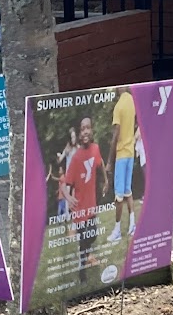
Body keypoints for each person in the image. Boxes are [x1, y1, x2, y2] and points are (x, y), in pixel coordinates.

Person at [59, 114, 107, 280]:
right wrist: (68, 197)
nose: (85, 131)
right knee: (83, 239)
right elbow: (64, 183)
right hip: (79, 208)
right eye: (82, 129)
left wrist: (106, 180)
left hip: (91, 205)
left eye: (88, 128)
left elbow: (100, 164)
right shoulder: (76, 157)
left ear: (92, 130)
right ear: (79, 134)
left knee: (92, 235)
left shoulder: (95, 148)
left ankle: (85, 256)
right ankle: (82, 271)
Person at [106, 88, 139, 246]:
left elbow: (116, 135)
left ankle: (117, 230)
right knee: (127, 190)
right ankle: (132, 225)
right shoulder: (132, 101)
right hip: (130, 152)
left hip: (121, 155)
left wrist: (109, 161)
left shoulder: (119, 106)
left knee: (119, 196)